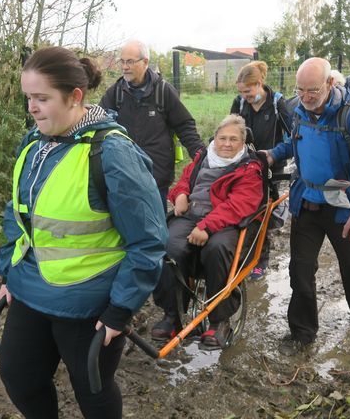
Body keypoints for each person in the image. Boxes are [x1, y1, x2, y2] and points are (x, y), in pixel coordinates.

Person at [0, 47, 167, 419]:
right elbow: (18, 214)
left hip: (88, 306)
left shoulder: (112, 153)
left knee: (92, 390)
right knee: (19, 377)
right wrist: (8, 272)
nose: (32, 108)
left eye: (42, 98)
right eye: (28, 97)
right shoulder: (33, 145)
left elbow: (148, 241)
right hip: (28, 290)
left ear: (75, 97)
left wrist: (120, 310)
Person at [265, 57, 350, 351]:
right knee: (300, 270)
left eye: (313, 90)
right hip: (307, 203)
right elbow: (293, 143)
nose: (306, 97)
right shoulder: (300, 111)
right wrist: (272, 154)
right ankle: (302, 334)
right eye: (300, 90)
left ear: (330, 84)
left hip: (344, 208)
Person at [151, 115, 265, 350]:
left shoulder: (249, 167)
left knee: (217, 248)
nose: (226, 143)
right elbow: (185, 181)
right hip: (192, 214)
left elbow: (240, 204)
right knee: (167, 247)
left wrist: (207, 226)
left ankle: (219, 320)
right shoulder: (203, 156)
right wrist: (180, 195)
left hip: (228, 222)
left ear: (243, 142)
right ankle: (171, 315)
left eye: (233, 139)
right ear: (215, 138)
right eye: (222, 137)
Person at [100, 40, 204, 212]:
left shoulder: (163, 91)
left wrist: (200, 154)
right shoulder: (115, 93)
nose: (124, 67)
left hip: (157, 173)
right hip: (124, 172)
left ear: (145, 62)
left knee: (157, 224)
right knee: (128, 222)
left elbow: (184, 125)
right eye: (122, 61)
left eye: (130, 62)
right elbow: (100, 125)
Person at [229, 61, 291, 279]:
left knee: (262, 213)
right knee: (240, 210)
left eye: (248, 91)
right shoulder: (240, 104)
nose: (244, 95)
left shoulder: (277, 104)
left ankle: (260, 260)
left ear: (259, 83)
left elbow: (293, 136)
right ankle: (239, 255)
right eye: (241, 92)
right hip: (244, 167)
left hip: (270, 167)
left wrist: (274, 154)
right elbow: (230, 129)